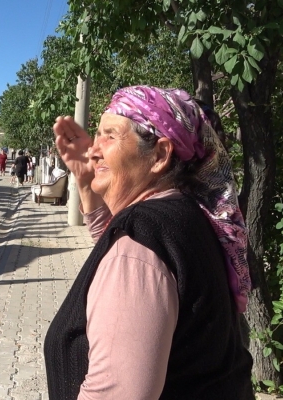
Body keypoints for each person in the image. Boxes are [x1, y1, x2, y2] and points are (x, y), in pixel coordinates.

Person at [43, 86, 253, 400]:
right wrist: (87, 183)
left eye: (110, 135)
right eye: (97, 134)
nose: (93, 149)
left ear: (159, 155)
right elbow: (118, 253)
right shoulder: (189, 216)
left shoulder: (140, 244)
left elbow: (130, 262)